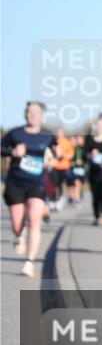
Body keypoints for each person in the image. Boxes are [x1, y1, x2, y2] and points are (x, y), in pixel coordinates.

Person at [1, 102, 57, 277]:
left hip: (37, 183)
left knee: (34, 221)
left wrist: (56, 155)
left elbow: (57, 152)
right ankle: (19, 235)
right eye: (30, 112)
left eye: (36, 112)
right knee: (17, 225)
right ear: (25, 115)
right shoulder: (15, 134)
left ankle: (29, 262)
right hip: (16, 183)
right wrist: (13, 153)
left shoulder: (48, 134)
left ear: (42, 116)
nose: (32, 115)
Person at [49, 128, 75, 210]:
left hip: (64, 166)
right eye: (57, 133)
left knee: (61, 183)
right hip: (54, 165)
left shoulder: (67, 142)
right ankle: (55, 199)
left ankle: (60, 197)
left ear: (63, 133)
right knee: (54, 183)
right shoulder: (53, 142)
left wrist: (62, 155)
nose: (59, 134)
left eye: (60, 133)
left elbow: (71, 155)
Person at [64, 135, 87, 206]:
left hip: (82, 169)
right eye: (77, 139)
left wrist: (83, 163)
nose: (78, 141)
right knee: (76, 183)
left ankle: (77, 196)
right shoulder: (74, 148)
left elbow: (87, 159)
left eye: (80, 139)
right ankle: (76, 199)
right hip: (75, 169)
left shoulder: (85, 148)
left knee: (80, 184)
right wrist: (74, 163)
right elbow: (71, 158)